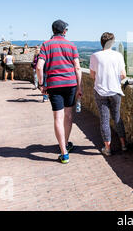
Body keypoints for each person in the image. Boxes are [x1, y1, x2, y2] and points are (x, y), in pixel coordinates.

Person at [36, 19, 82, 164]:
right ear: (64, 31)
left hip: (54, 85)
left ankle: (64, 153)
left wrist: (42, 84)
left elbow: (39, 67)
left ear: (53, 30)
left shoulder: (46, 45)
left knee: (58, 118)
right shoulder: (72, 45)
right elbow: (78, 68)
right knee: (68, 116)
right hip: (70, 84)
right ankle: (66, 144)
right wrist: (79, 87)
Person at [89, 32, 127, 156]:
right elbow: (123, 75)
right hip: (115, 91)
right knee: (117, 118)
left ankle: (108, 148)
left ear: (101, 42)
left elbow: (92, 75)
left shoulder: (95, 56)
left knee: (104, 120)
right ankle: (123, 145)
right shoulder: (118, 55)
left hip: (100, 91)